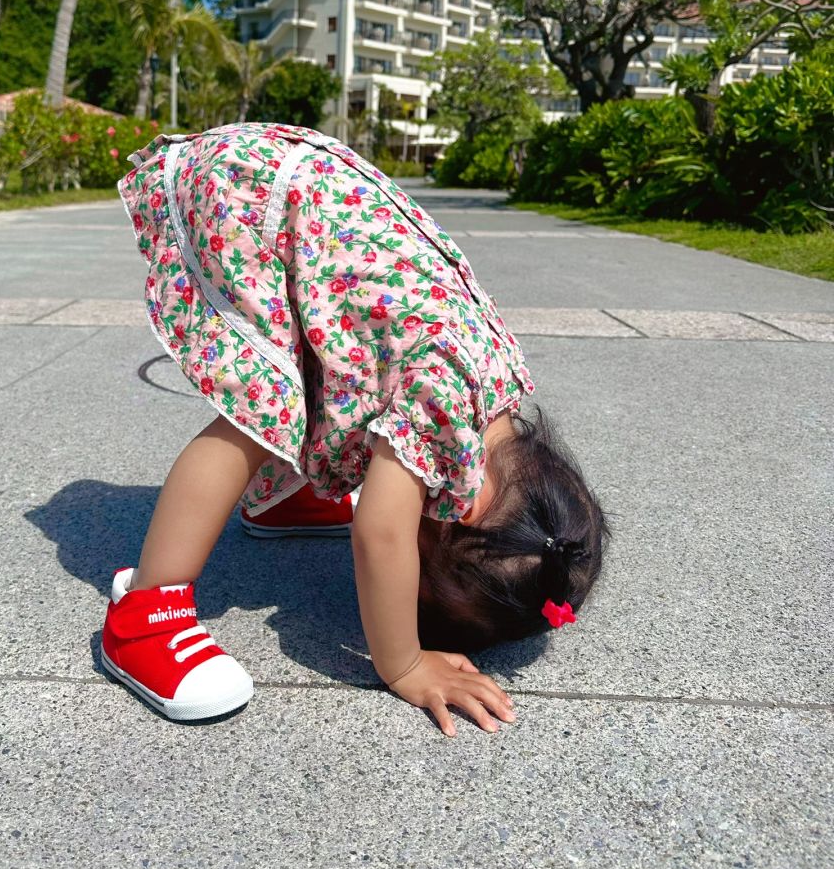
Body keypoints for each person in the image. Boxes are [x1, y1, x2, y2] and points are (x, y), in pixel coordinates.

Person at [101, 123, 607, 734]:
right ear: (462, 510)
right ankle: (144, 612)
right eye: (429, 572)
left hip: (294, 189)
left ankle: (286, 500)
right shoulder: (443, 418)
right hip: (250, 201)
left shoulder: (496, 379)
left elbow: (358, 374)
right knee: (265, 408)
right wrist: (405, 662)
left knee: (330, 380)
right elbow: (381, 533)